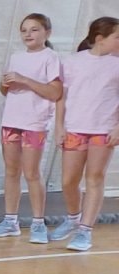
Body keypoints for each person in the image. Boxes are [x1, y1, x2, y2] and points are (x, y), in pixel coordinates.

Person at [0, 13, 62, 243]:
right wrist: (5, 84)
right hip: (11, 121)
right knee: (11, 171)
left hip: (34, 123)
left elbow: (55, 92)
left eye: (34, 29)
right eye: (24, 30)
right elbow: (6, 90)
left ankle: (38, 223)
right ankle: (10, 221)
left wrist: (25, 80)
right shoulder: (16, 57)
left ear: (47, 33)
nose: (28, 34)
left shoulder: (51, 58)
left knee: (31, 172)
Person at [53, 16, 119, 253]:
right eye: (117, 37)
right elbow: (61, 97)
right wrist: (59, 126)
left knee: (95, 178)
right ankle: (73, 217)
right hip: (75, 127)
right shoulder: (72, 62)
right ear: (100, 39)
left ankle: (85, 230)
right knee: (69, 180)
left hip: (103, 130)